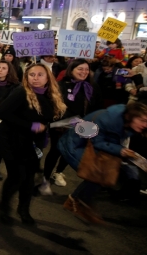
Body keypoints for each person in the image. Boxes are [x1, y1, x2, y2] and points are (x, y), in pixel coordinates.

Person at [0, 63, 66, 225]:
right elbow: (2, 112)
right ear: (26, 77)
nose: (35, 78)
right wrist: (30, 125)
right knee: (17, 177)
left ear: (48, 77)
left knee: (28, 179)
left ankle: (23, 210)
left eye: (40, 75)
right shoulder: (21, 92)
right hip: (11, 140)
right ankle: (4, 207)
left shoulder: (51, 95)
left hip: (32, 143)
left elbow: (48, 118)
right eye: (31, 75)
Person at [59, 103, 147, 223]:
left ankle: (75, 202)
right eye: (142, 120)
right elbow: (96, 141)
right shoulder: (106, 121)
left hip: (90, 146)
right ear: (130, 116)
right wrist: (120, 150)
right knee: (96, 176)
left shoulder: (123, 121)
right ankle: (78, 203)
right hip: (76, 145)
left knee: (99, 177)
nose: (145, 125)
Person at [40, 59, 103, 194]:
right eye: (80, 69)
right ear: (71, 70)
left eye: (86, 69)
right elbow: (57, 105)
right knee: (56, 150)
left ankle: (59, 172)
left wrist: (91, 121)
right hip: (62, 124)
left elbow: (97, 106)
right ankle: (45, 179)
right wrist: (73, 120)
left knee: (71, 150)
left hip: (84, 125)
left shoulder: (93, 87)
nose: (84, 72)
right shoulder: (61, 85)